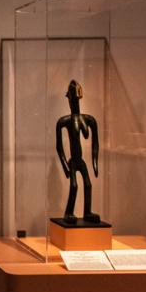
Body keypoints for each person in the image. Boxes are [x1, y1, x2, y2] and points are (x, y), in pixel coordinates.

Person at [56, 79, 100, 224]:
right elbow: (59, 147)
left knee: (88, 185)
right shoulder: (65, 121)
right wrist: (66, 167)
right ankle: (69, 212)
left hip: (80, 161)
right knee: (74, 186)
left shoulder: (89, 120)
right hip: (73, 162)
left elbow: (95, 143)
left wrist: (95, 162)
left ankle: (87, 211)